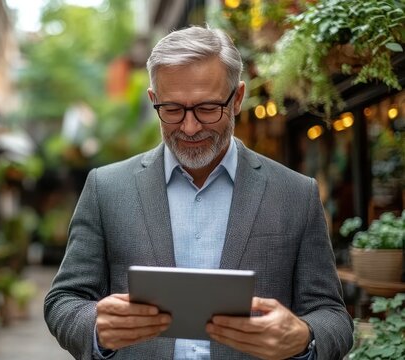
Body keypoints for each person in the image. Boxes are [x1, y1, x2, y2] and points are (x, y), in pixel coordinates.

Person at [44, 25, 353, 360]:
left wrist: (303, 337)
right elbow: (64, 300)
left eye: (207, 108)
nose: (190, 128)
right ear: (153, 100)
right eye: (173, 110)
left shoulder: (296, 194)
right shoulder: (107, 188)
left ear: (237, 99)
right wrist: (96, 327)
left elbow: (333, 317)